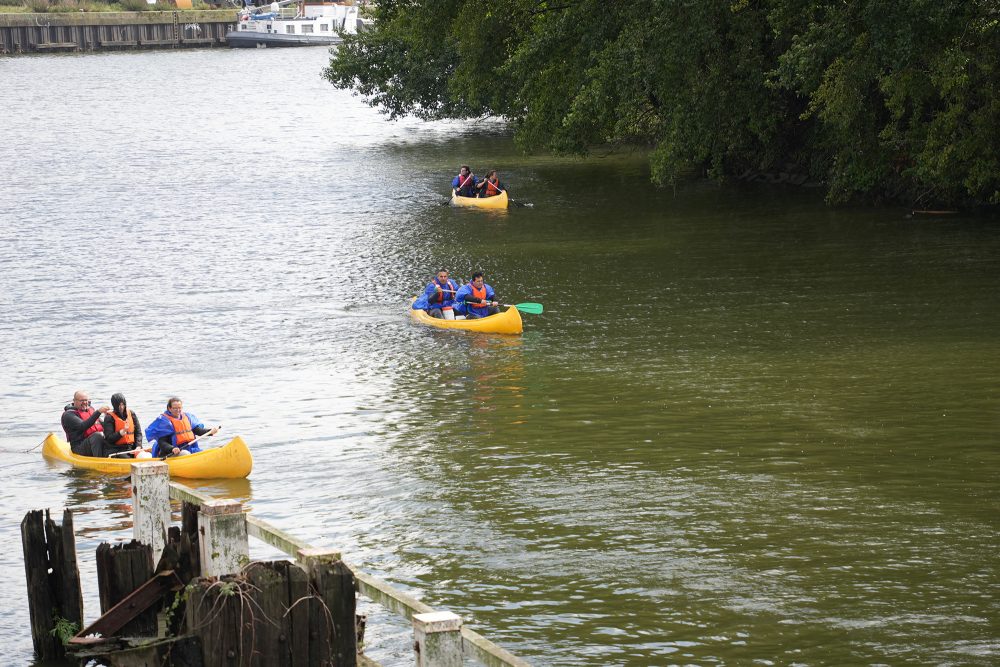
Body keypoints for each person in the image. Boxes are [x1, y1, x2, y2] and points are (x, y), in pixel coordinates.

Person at [144, 397, 219, 458]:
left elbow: (198, 431)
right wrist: (172, 448)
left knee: (202, 452)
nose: (178, 410)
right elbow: (162, 442)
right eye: (175, 408)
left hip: (190, 448)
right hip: (172, 452)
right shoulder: (164, 422)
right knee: (185, 454)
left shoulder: (188, 417)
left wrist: (210, 431)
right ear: (169, 408)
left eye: (179, 408)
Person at [61, 390, 111, 456]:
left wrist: (110, 418)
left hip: (94, 443)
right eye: (81, 400)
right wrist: (98, 412)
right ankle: (99, 461)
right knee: (97, 435)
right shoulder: (69, 415)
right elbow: (83, 426)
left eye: (86, 400)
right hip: (79, 447)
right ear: (74, 401)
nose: (85, 402)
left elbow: (102, 424)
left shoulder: (90, 410)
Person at [99, 393, 144, 458]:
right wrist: (121, 433)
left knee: (144, 455)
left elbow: (138, 432)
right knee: (128, 459)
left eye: (123, 404)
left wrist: (138, 446)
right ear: (114, 405)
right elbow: (109, 438)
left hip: (132, 447)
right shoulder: (109, 418)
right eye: (118, 405)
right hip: (116, 449)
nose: (121, 407)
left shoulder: (131, 414)